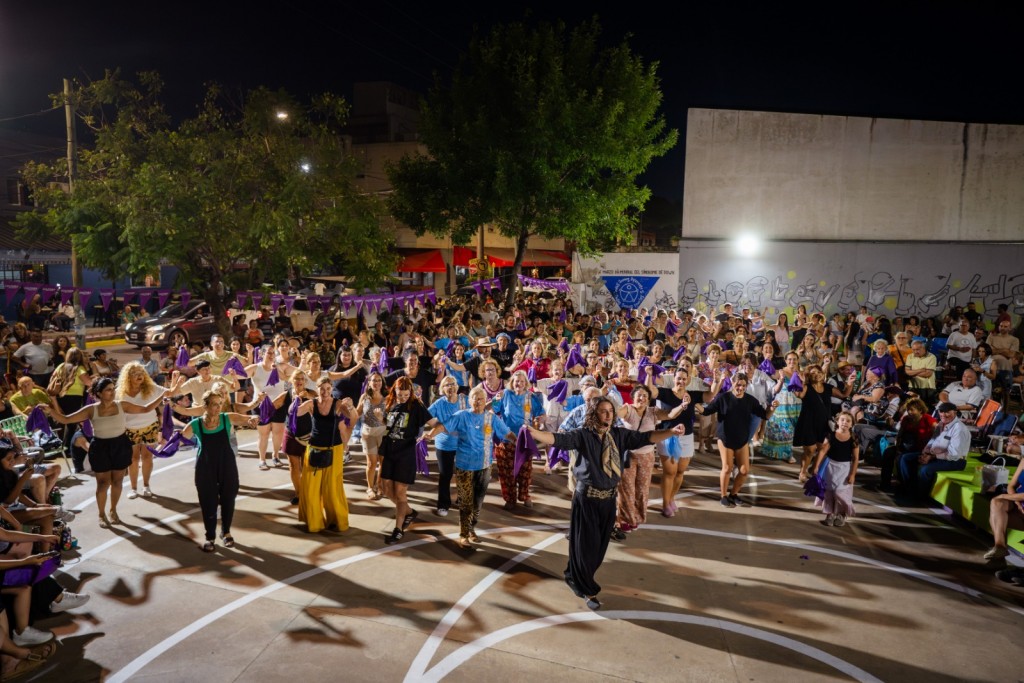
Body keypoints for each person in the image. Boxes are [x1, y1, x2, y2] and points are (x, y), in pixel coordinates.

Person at [527, 397, 685, 610]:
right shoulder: (583, 436)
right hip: (587, 500)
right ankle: (588, 590)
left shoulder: (619, 435)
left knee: (599, 548)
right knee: (586, 547)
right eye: (603, 411)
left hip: (608, 500)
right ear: (594, 414)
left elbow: (646, 437)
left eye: (611, 410)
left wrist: (671, 432)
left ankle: (573, 575)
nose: (609, 415)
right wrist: (534, 433)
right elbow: (558, 439)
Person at [48, 376, 180, 528]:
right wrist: (50, 407)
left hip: (120, 445)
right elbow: (65, 419)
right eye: (108, 390)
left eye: (113, 389)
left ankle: (113, 510)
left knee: (117, 481)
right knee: (103, 484)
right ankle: (101, 514)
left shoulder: (121, 405)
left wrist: (161, 396)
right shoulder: (91, 409)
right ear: (99, 393)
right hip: (100, 447)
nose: (112, 392)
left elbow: (145, 409)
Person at [424, 385, 515, 548]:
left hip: (485, 466)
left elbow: (507, 433)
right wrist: (430, 435)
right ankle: (464, 534)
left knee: (477, 503)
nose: (477, 401)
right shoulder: (461, 415)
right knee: (466, 502)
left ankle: (472, 528)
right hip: (464, 466)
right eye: (474, 398)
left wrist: (520, 441)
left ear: (485, 400)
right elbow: (443, 426)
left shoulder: (491, 418)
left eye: (481, 398)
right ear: (469, 400)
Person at [179, 390, 257, 551]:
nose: (218, 407)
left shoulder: (226, 418)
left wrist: (253, 419)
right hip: (205, 467)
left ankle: (226, 532)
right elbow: (178, 441)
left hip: (226, 464)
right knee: (208, 502)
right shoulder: (196, 424)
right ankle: (210, 537)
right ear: (205, 406)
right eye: (214, 404)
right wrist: (162, 445)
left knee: (229, 498)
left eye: (220, 404)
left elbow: (247, 418)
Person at [613, 384, 686, 535]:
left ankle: (637, 517)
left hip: (647, 456)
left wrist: (682, 406)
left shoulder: (653, 412)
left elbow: (671, 415)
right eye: (639, 395)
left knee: (642, 487)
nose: (642, 398)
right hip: (628, 454)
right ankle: (625, 519)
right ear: (633, 397)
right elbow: (617, 412)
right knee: (626, 488)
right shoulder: (628, 409)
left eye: (645, 396)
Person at [696, 373, 775, 507]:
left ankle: (734, 494)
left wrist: (772, 408)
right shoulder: (723, 398)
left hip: (741, 439)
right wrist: (694, 403)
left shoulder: (751, 400)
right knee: (727, 468)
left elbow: (765, 416)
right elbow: (706, 411)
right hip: (725, 438)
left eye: (743, 385)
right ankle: (723, 496)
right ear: (732, 383)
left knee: (744, 471)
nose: (740, 388)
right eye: (738, 385)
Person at [293, 377, 357, 534]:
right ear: (317, 388)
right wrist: (296, 399)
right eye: (322, 388)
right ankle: (314, 523)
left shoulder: (337, 403)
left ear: (331, 389)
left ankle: (337, 521)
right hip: (314, 448)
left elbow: (352, 418)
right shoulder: (311, 403)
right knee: (310, 487)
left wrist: (351, 406)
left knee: (333, 487)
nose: (325, 392)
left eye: (328, 389)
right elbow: (295, 413)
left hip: (333, 449)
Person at [379, 376, 434, 544]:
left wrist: (431, 434)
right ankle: (408, 511)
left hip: (406, 453)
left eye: (405, 394)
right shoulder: (390, 404)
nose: (402, 397)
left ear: (410, 392)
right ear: (394, 391)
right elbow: (390, 427)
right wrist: (380, 418)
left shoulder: (416, 406)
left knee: (400, 492)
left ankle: (398, 528)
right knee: (386, 489)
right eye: (399, 394)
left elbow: (433, 422)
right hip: (389, 450)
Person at [493, 370, 544, 510]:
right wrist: (496, 399)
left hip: (525, 440)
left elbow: (541, 414)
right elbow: (492, 409)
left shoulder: (531, 396)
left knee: (525, 470)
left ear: (526, 383)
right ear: (512, 382)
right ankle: (510, 499)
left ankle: (525, 495)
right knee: (506, 472)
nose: (519, 384)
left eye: (522, 381)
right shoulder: (505, 394)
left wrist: (539, 419)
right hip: (506, 439)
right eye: (516, 381)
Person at [897, 401, 970, 499]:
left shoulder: (959, 429)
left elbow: (954, 454)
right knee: (905, 458)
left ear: (955, 413)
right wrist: (925, 454)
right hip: (936, 455)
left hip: (955, 461)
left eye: (947, 412)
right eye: (941, 412)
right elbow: (932, 441)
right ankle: (909, 489)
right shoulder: (941, 424)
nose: (943, 414)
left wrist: (931, 457)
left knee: (925, 470)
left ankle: (920, 497)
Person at [116, 362, 164, 499]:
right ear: (127, 377)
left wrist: (177, 383)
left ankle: (146, 485)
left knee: (147, 457)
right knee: (133, 458)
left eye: (141, 373)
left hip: (150, 426)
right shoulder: (119, 392)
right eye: (135, 373)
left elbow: (168, 392)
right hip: (130, 429)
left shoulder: (150, 388)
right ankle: (133, 488)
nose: (139, 376)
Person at [427, 376, 467, 516]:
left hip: (463, 443)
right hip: (444, 444)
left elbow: (478, 411)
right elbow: (426, 415)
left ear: (457, 386)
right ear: (442, 389)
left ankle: (463, 499)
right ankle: (443, 504)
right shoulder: (439, 403)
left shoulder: (464, 400)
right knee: (445, 475)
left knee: (464, 473)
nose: (451, 387)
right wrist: (437, 427)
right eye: (447, 385)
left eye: (453, 384)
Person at [876, 397, 935, 492]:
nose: (909, 412)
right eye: (908, 410)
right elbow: (900, 434)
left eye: (912, 410)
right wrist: (898, 446)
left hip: (921, 449)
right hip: (906, 446)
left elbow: (937, 431)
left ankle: (906, 486)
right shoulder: (906, 419)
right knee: (888, 451)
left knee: (902, 458)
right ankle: (885, 483)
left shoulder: (927, 418)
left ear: (920, 410)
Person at [812, 411, 859, 526]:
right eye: (842, 420)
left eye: (848, 421)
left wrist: (852, 474)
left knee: (840, 492)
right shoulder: (831, 436)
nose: (845, 423)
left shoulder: (853, 438)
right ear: (837, 422)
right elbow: (823, 451)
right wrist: (816, 465)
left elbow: (856, 458)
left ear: (852, 424)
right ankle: (830, 513)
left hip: (845, 468)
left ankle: (842, 513)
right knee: (829, 492)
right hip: (831, 467)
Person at [793, 362, 833, 482]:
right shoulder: (806, 387)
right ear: (808, 376)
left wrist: (850, 384)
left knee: (824, 448)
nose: (816, 374)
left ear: (822, 374)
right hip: (808, 422)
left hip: (823, 423)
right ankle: (802, 472)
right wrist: (803, 381)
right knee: (810, 450)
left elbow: (844, 394)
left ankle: (812, 468)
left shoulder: (828, 387)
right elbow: (799, 395)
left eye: (818, 372)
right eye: (813, 373)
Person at [761, 352, 802, 463]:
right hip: (781, 404)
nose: (792, 361)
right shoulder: (781, 371)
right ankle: (777, 452)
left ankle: (787, 453)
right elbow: (771, 374)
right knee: (780, 428)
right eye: (789, 359)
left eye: (794, 359)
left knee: (790, 430)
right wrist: (767, 361)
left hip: (796, 404)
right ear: (785, 360)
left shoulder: (801, 373)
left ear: (798, 360)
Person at [356, 371, 388, 500]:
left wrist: (381, 418)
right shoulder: (364, 397)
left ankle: (379, 486)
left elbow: (392, 419)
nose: (376, 383)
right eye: (374, 380)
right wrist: (347, 410)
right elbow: (357, 413)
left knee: (383, 462)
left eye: (379, 380)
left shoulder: (388, 397)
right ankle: (370, 487)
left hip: (383, 432)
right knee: (371, 463)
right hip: (368, 433)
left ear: (382, 382)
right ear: (369, 383)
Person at [985, 463, 1024, 563]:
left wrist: (1003, 496)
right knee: (997, 504)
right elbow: (1011, 485)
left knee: (997, 513)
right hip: (1018, 502)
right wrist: (1017, 503)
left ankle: (999, 558)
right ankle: (1000, 547)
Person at [903, 338, 937, 405]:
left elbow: (927, 374)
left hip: (928, 387)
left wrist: (912, 372)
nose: (915, 352)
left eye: (917, 349)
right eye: (913, 350)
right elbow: (907, 372)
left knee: (927, 407)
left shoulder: (932, 357)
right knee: (913, 407)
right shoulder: (910, 356)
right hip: (913, 386)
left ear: (923, 348)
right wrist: (920, 370)